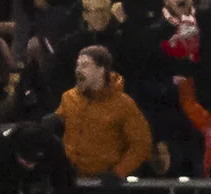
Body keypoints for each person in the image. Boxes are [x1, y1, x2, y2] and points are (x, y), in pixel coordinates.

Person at [55, 45, 152, 181]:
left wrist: (119, 172)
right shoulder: (68, 98)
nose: (78, 70)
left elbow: (141, 144)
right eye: (77, 65)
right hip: (71, 180)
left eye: (85, 65)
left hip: (104, 183)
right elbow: (58, 128)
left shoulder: (124, 104)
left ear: (101, 70)